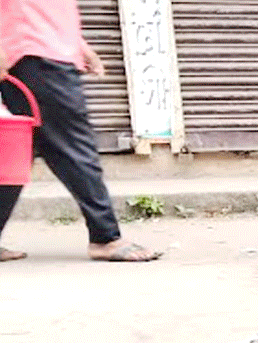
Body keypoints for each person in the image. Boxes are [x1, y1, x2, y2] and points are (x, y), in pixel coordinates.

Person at [0, 0, 161, 262]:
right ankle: (105, 237)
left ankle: (105, 234)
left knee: (16, 153)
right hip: (34, 54)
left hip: (44, 52)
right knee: (74, 147)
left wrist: (80, 47)